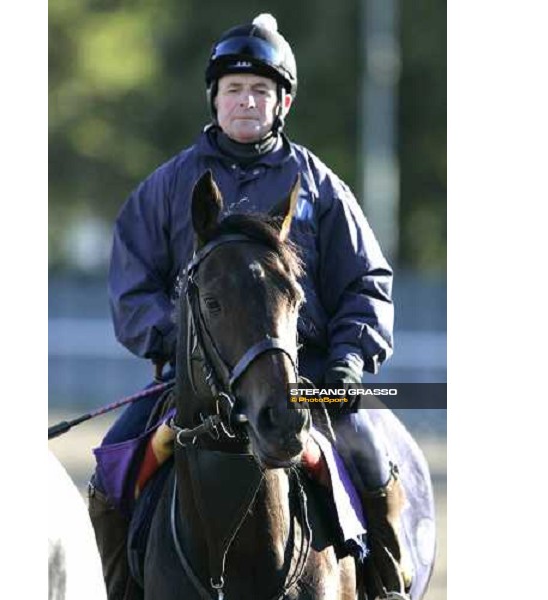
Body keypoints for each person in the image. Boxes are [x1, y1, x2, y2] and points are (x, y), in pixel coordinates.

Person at [89, 13, 410, 600]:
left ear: (282, 103)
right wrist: (176, 343)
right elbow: (132, 287)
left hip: (306, 379)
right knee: (109, 478)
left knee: (375, 463)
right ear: (214, 99)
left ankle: (385, 587)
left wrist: (347, 364)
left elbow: (367, 281)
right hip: (195, 381)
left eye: (260, 90)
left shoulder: (321, 188)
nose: (246, 101)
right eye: (233, 89)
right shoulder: (165, 187)